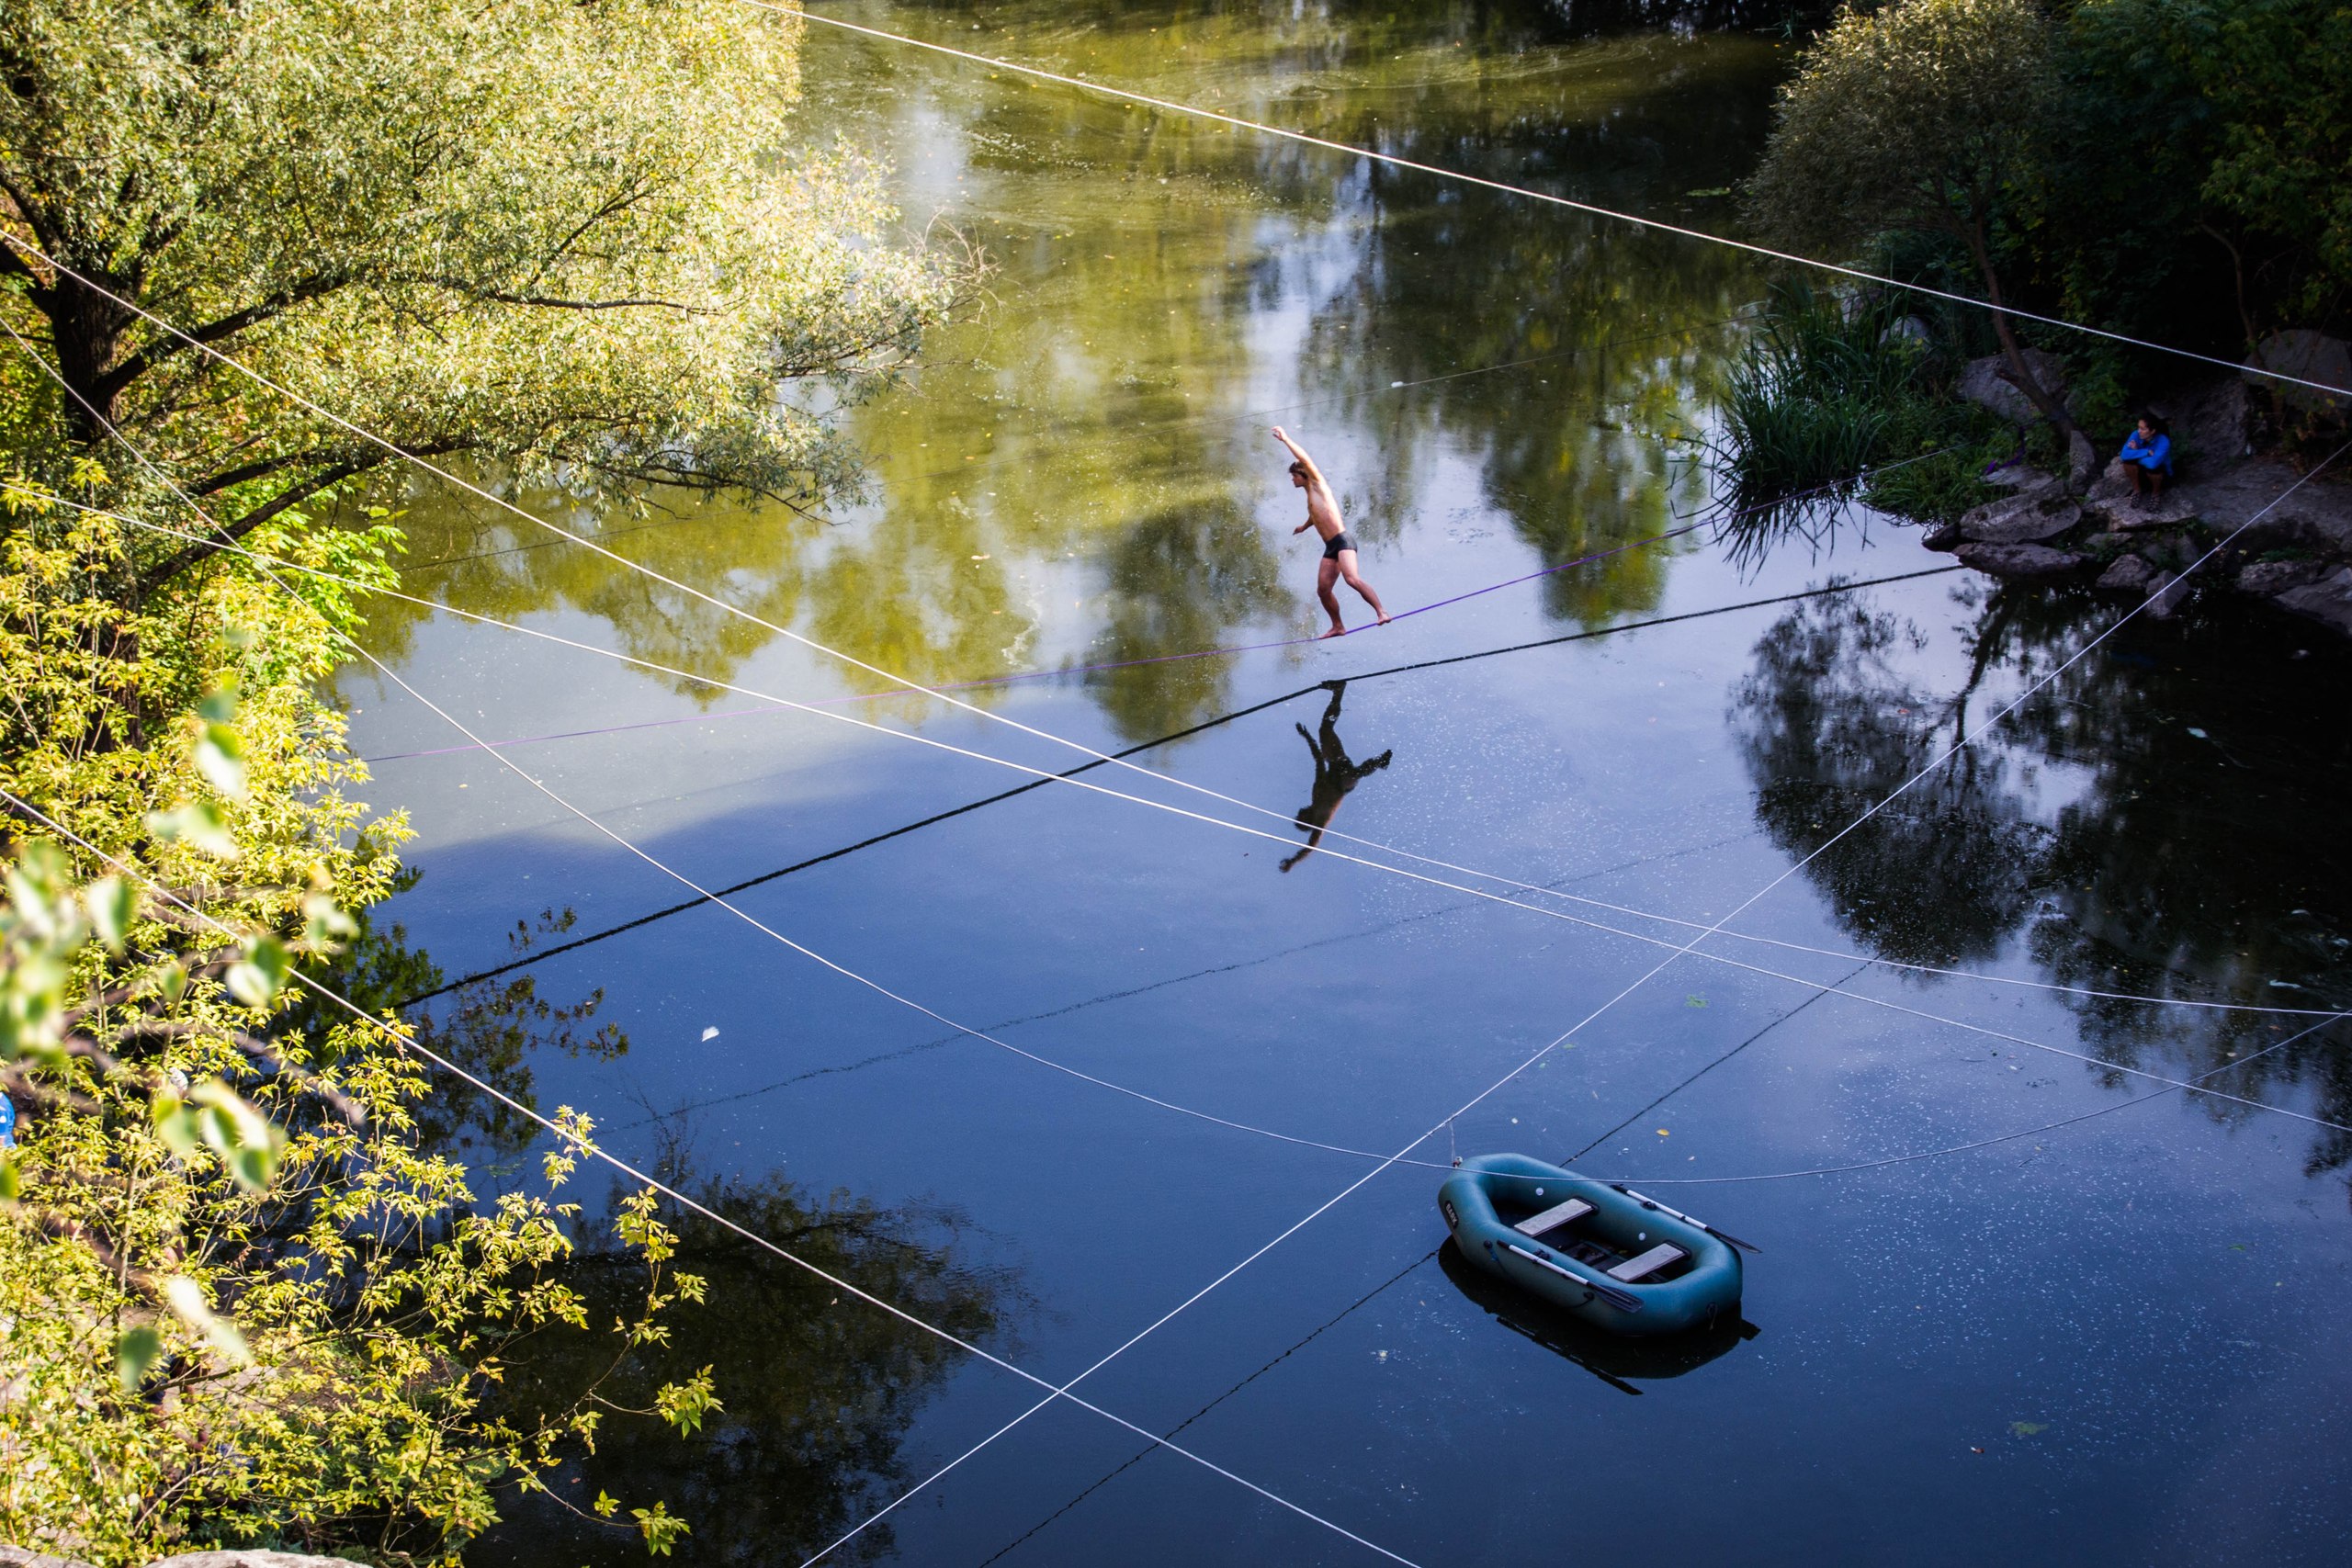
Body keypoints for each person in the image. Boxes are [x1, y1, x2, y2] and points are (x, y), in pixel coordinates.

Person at [1272, 425, 1389, 637]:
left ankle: (1381, 612)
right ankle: (1338, 626)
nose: (1292, 480)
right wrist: (1304, 527)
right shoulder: (1310, 495)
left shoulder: (1318, 484)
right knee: (1323, 591)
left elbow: (1305, 458)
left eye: (1294, 476)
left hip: (1343, 541)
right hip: (1330, 547)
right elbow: (1317, 515)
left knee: (1352, 579)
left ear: (1303, 474)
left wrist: (1286, 439)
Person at [1280, 681, 1392, 873]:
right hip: (1343, 782)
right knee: (1357, 772)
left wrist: (1307, 737)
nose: (1300, 811)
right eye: (1301, 816)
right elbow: (1311, 846)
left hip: (1336, 765)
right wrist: (1293, 861)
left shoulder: (1316, 795)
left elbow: (1318, 761)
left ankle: (1338, 692)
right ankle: (1377, 763)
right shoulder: (1320, 820)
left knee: (1325, 728)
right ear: (1307, 820)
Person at [2118, 415, 2173, 500]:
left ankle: (2155, 494)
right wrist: (2145, 452)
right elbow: (2124, 455)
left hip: (2161, 474)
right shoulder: (2136, 434)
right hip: (2143, 470)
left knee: (2154, 469)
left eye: (2143, 429)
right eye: (2138, 427)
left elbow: (2152, 464)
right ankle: (2137, 490)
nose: (2139, 431)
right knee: (2127, 463)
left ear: (2152, 431)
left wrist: (2135, 453)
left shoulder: (2163, 441)